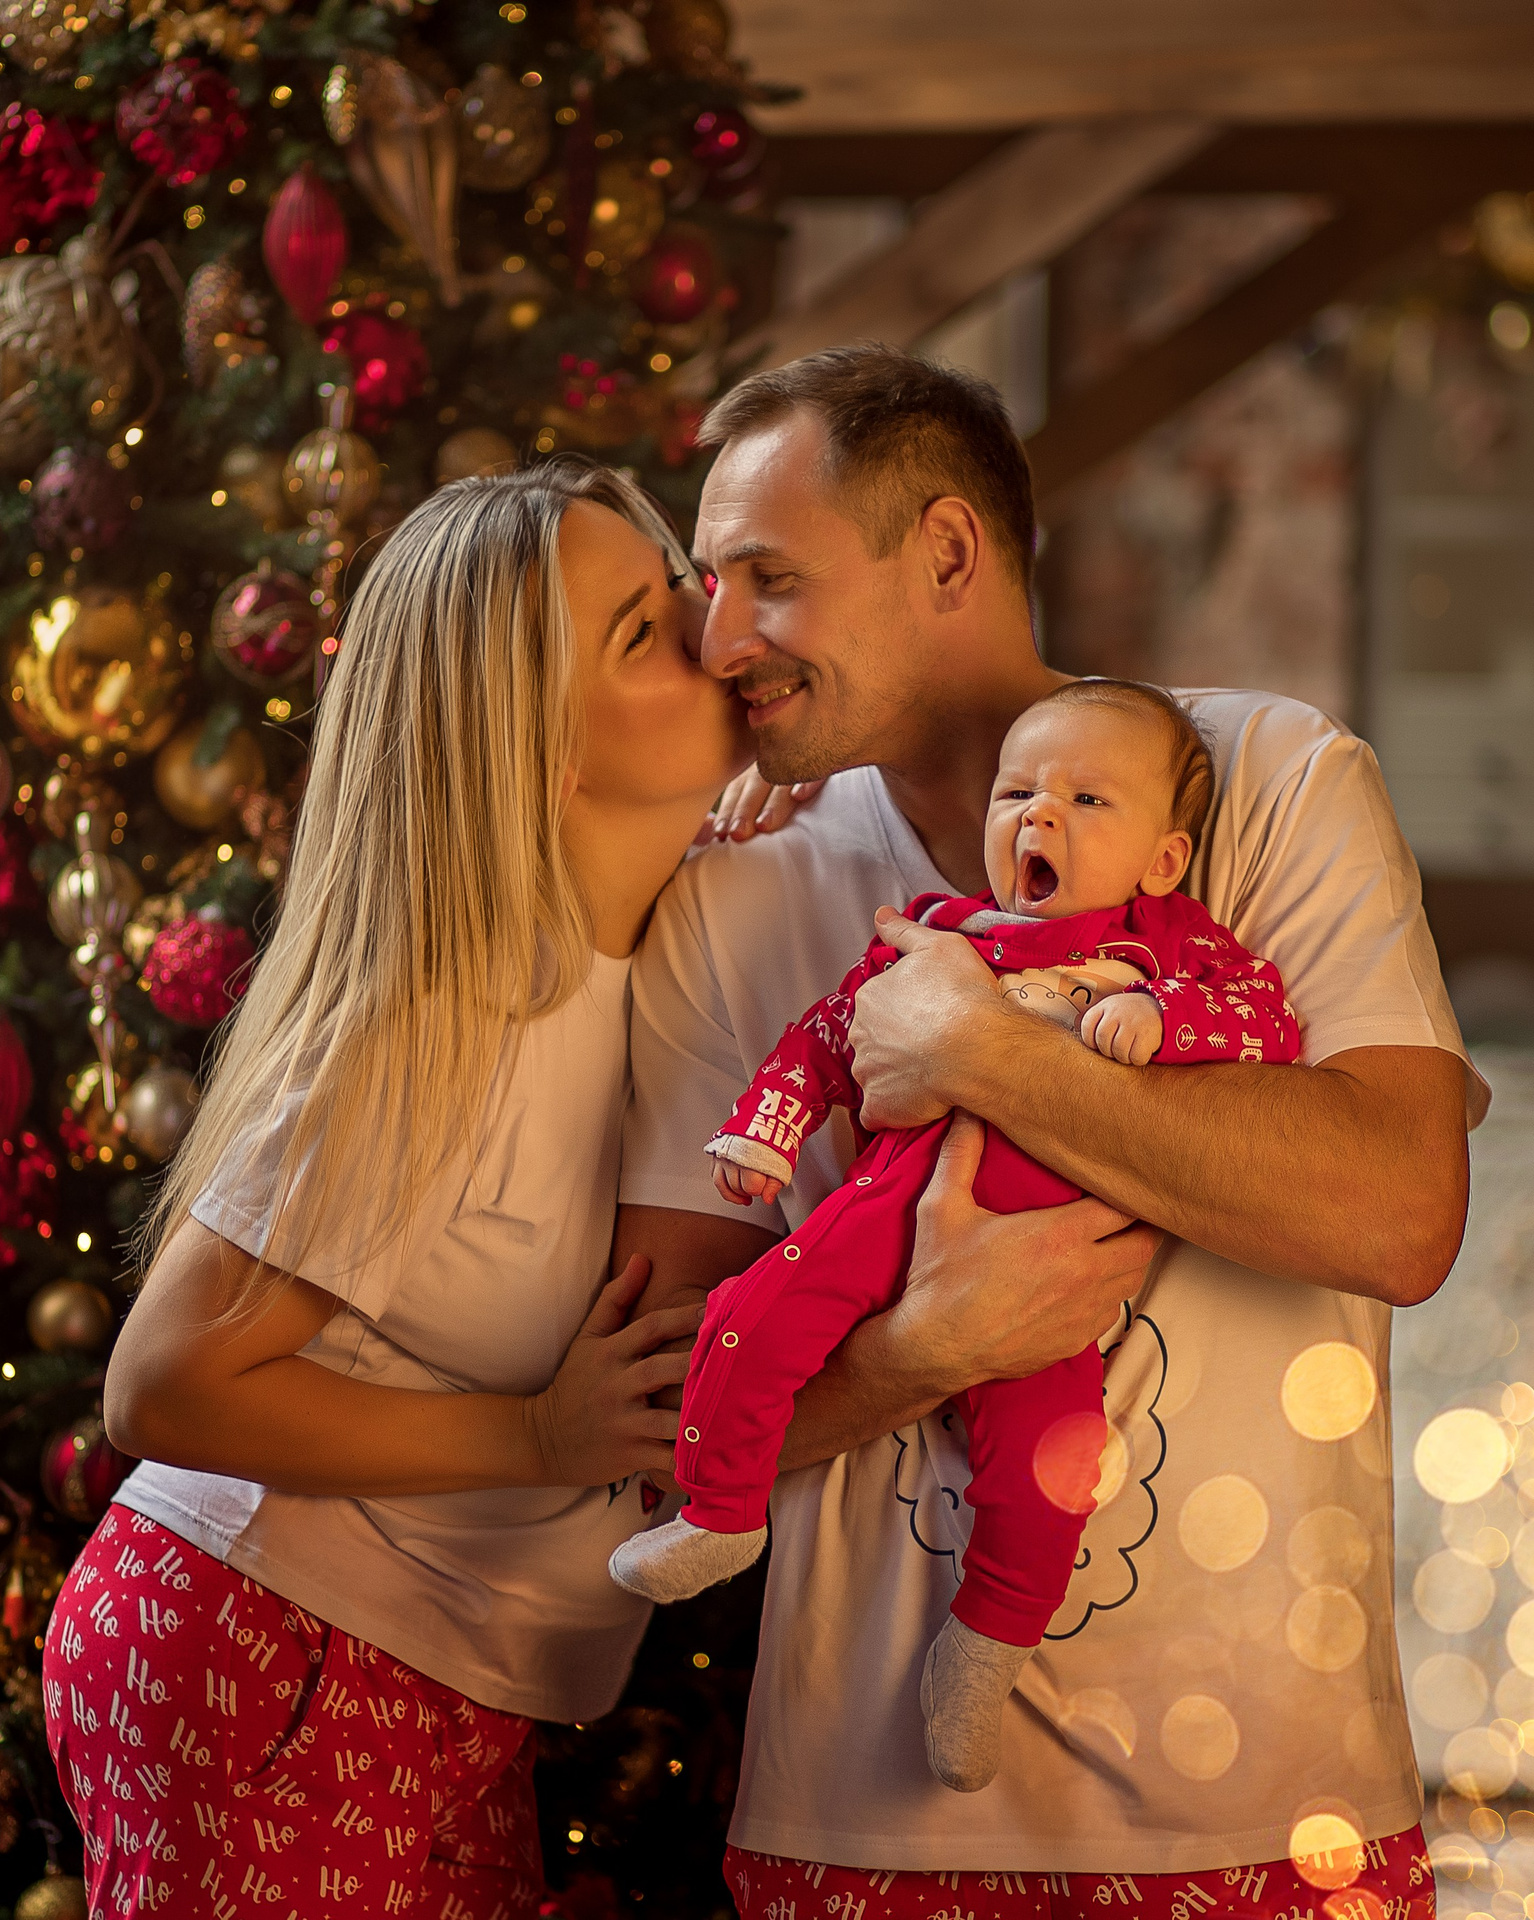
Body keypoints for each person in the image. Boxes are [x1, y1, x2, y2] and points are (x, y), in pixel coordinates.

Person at [616, 346, 1481, 1920]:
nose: (717, 634)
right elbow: (636, 1427)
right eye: (704, 583)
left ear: (945, 552)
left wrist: (974, 1046)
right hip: (849, 1836)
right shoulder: (740, 885)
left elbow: (1399, 1209)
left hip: (1271, 1834)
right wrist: (910, 1355)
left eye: (769, 578)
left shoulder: (1268, 781)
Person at [44, 459, 751, 1917]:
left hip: (427, 1679)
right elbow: (161, 1387)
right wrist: (536, 1432)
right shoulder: (445, 1025)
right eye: (640, 627)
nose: (707, 620)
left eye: (678, 578)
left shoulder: (638, 960)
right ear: (535, 753)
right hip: (266, 1651)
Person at [612, 682, 1301, 1796]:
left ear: (1164, 860)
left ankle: (982, 1653)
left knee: (1055, 1467)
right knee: (747, 1318)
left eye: (1085, 799)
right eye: (1017, 791)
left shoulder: (1166, 945)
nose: (1039, 817)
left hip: (1051, 1255)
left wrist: (1169, 1020)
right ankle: (721, 1508)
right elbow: (829, 1036)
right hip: (886, 1211)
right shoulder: (937, 934)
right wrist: (768, 1130)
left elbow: (1267, 1019)